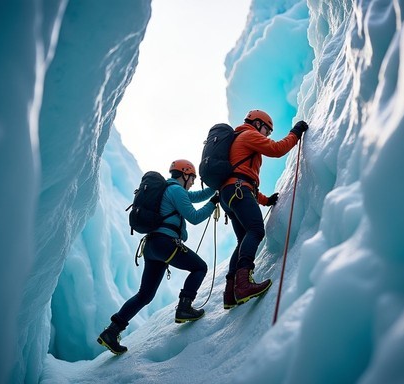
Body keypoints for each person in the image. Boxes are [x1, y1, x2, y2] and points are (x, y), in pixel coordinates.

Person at [98, 159, 219, 355]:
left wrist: (215, 187)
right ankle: (185, 306)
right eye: (192, 178)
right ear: (185, 174)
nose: (193, 182)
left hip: (152, 246)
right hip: (165, 243)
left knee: (144, 295)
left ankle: (112, 331)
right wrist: (213, 204)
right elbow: (194, 217)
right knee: (200, 267)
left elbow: (195, 196)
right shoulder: (176, 191)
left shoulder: (171, 191)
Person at [219, 109, 308, 309]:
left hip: (230, 194)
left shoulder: (236, 140)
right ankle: (243, 284)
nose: (267, 135)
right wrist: (295, 133)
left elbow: (244, 177)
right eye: (267, 130)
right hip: (239, 190)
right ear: (258, 124)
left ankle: (230, 293)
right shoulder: (249, 134)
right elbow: (276, 149)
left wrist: (266, 200)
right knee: (256, 230)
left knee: (243, 239)